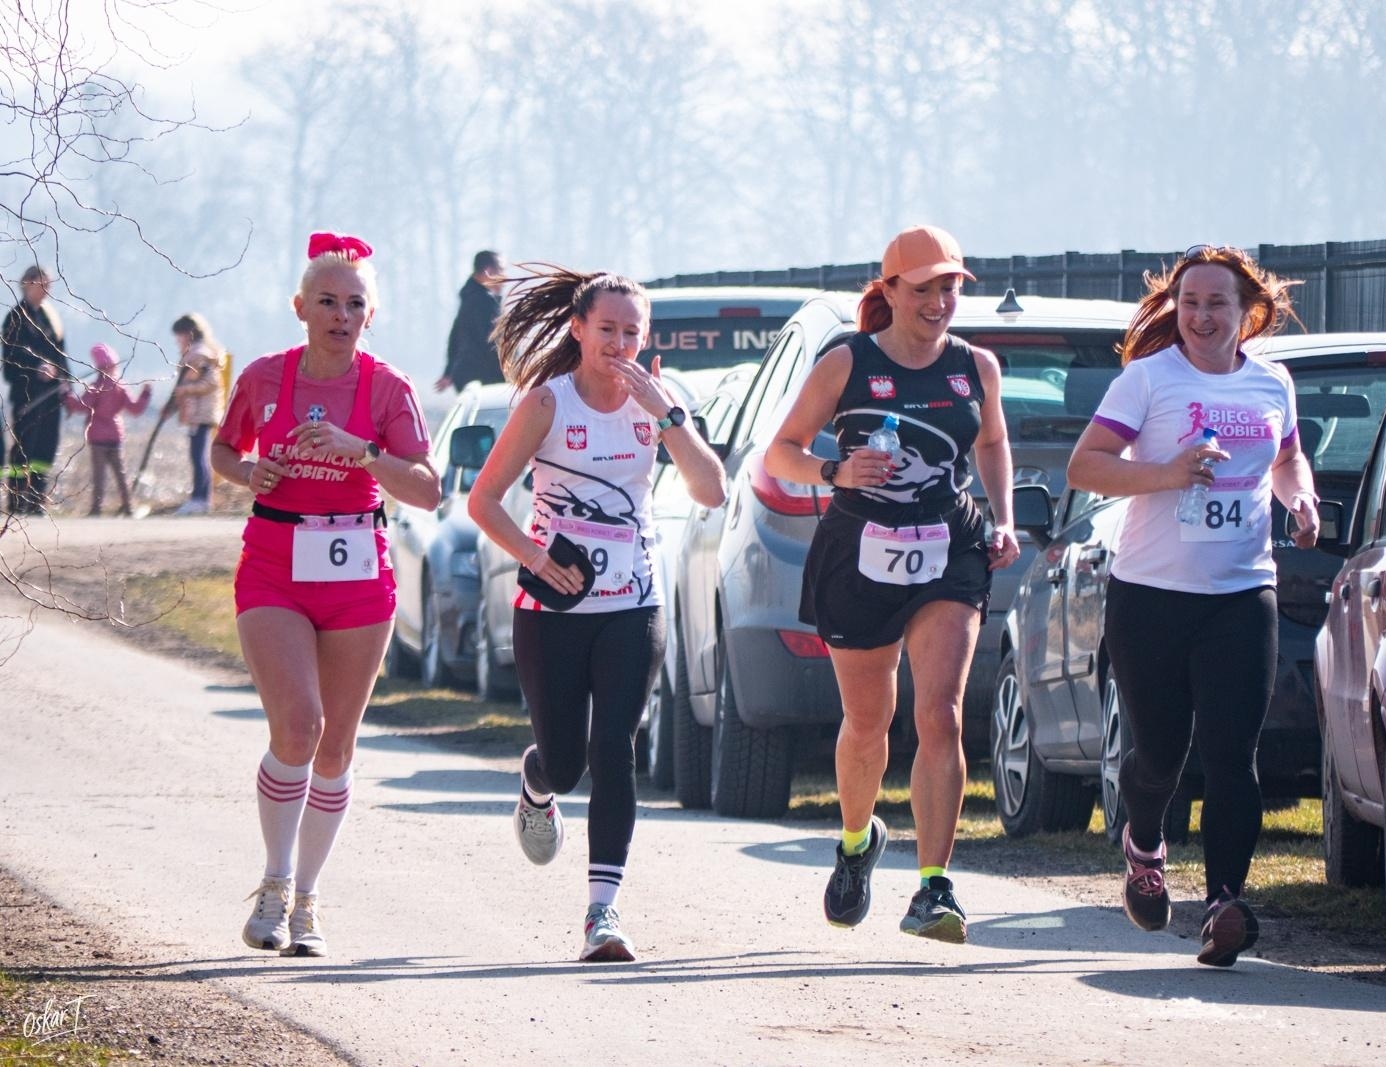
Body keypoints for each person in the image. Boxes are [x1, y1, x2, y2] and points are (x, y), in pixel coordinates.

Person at [765, 224, 1021, 944]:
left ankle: (934, 887)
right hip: (860, 551)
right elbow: (779, 451)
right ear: (889, 291)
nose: (941, 301)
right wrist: (835, 471)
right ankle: (855, 841)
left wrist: (1003, 520)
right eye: (926, 288)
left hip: (949, 546)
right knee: (869, 722)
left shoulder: (976, 367)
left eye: (951, 287)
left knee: (939, 712)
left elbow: (993, 442)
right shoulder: (846, 362)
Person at [1065, 244, 1317, 968]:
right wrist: (1166, 472)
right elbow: (1087, 466)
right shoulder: (1148, 381)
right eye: (1191, 302)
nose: (1202, 315)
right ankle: (1144, 843)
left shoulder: (1274, 383)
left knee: (1233, 753)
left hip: (1242, 592)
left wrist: (1297, 495)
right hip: (1149, 597)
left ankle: (1224, 904)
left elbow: (1288, 456)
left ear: (1249, 313)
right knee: (1160, 755)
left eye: (1218, 303)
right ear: (1176, 309)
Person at [466, 265, 725, 962]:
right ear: (578, 330)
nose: (617, 344)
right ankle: (536, 780)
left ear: (646, 337)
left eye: (630, 332)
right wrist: (533, 553)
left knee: (616, 748)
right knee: (566, 761)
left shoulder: (659, 402)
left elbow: (712, 488)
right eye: (605, 329)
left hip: (633, 601)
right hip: (552, 605)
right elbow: (484, 500)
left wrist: (668, 416)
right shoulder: (547, 403)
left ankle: (601, 914)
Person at [211, 232, 440, 957]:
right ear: (301, 306)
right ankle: (274, 883)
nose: (341, 314)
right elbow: (222, 449)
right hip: (276, 563)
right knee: (298, 725)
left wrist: (364, 453)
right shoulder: (265, 377)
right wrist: (250, 476)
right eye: (328, 301)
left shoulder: (386, 388)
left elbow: (429, 489)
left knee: (336, 745)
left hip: (355, 572)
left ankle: (308, 899)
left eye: (355, 303)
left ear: (370, 315)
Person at [2, 266, 68, 515]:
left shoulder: (51, 319)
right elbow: (10, 359)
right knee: (23, 448)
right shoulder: (15, 318)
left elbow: (61, 355)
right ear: (28, 283)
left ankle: (37, 497)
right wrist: (35, 368)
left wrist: (63, 379)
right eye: (43, 284)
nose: (47, 290)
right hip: (27, 396)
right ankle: (17, 500)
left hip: (51, 398)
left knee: (45, 449)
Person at [63, 342, 152, 516]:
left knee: (99, 476)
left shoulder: (96, 387)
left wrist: (66, 395)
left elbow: (81, 406)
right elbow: (135, 409)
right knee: (121, 475)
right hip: (115, 435)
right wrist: (146, 394)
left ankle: (96, 509)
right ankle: (128, 508)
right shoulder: (120, 386)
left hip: (97, 436)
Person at [170, 313, 226, 515]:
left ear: (188, 334)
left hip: (201, 412)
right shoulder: (201, 353)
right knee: (198, 454)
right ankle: (202, 498)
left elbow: (212, 382)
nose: (177, 342)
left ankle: (199, 498)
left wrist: (185, 390)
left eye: (179, 337)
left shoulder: (199, 355)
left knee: (198, 455)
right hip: (200, 412)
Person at [435, 249, 505, 392]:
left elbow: (455, 336)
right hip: (486, 379)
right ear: (489, 271)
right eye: (501, 270)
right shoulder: (483, 301)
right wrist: (510, 374)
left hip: (466, 376)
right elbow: (492, 342)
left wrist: (449, 372)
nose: (505, 277)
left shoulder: (469, 298)